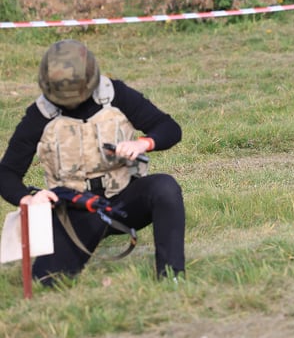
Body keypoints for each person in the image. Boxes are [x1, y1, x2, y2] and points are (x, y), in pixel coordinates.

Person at [0, 39, 185, 285]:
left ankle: (172, 277)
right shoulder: (39, 115)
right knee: (47, 280)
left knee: (165, 187)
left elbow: (169, 127)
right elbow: (7, 173)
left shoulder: (114, 94)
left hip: (123, 201)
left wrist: (143, 143)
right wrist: (29, 199)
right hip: (77, 210)